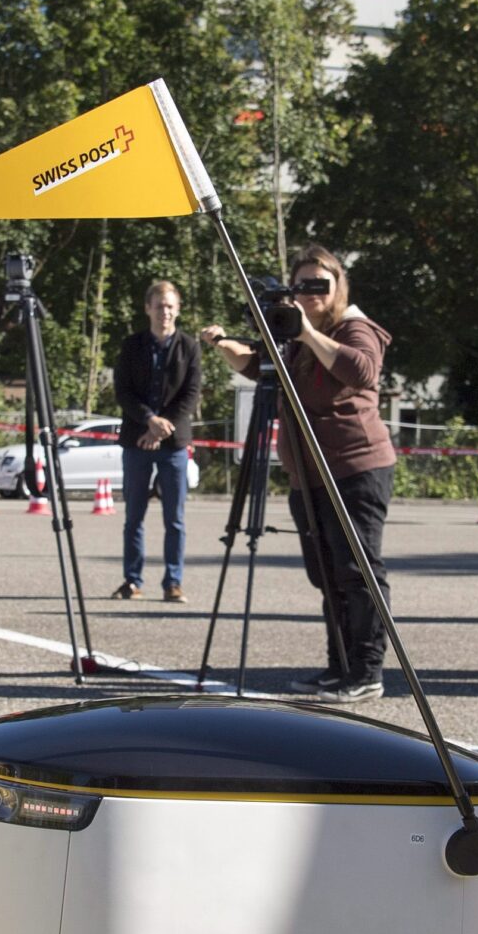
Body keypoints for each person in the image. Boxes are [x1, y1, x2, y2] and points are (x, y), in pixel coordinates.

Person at [201, 247, 396, 702]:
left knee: (358, 571)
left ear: (338, 286)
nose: (310, 295)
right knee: (326, 574)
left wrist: (307, 332)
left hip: (354, 467)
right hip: (309, 474)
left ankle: (367, 671)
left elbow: (362, 370)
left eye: (319, 286)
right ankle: (339, 666)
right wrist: (224, 345)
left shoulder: (354, 327)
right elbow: (261, 367)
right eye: (302, 285)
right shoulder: (294, 338)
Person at [112, 277, 202, 603]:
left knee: (174, 520)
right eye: (159, 305)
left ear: (177, 310)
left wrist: (163, 428)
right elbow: (123, 392)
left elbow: (190, 396)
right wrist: (149, 420)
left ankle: (173, 582)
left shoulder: (189, 347)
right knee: (133, 516)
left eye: (170, 306)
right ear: (148, 308)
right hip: (137, 442)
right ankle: (132, 580)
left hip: (173, 446)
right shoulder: (131, 346)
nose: (164, 311)